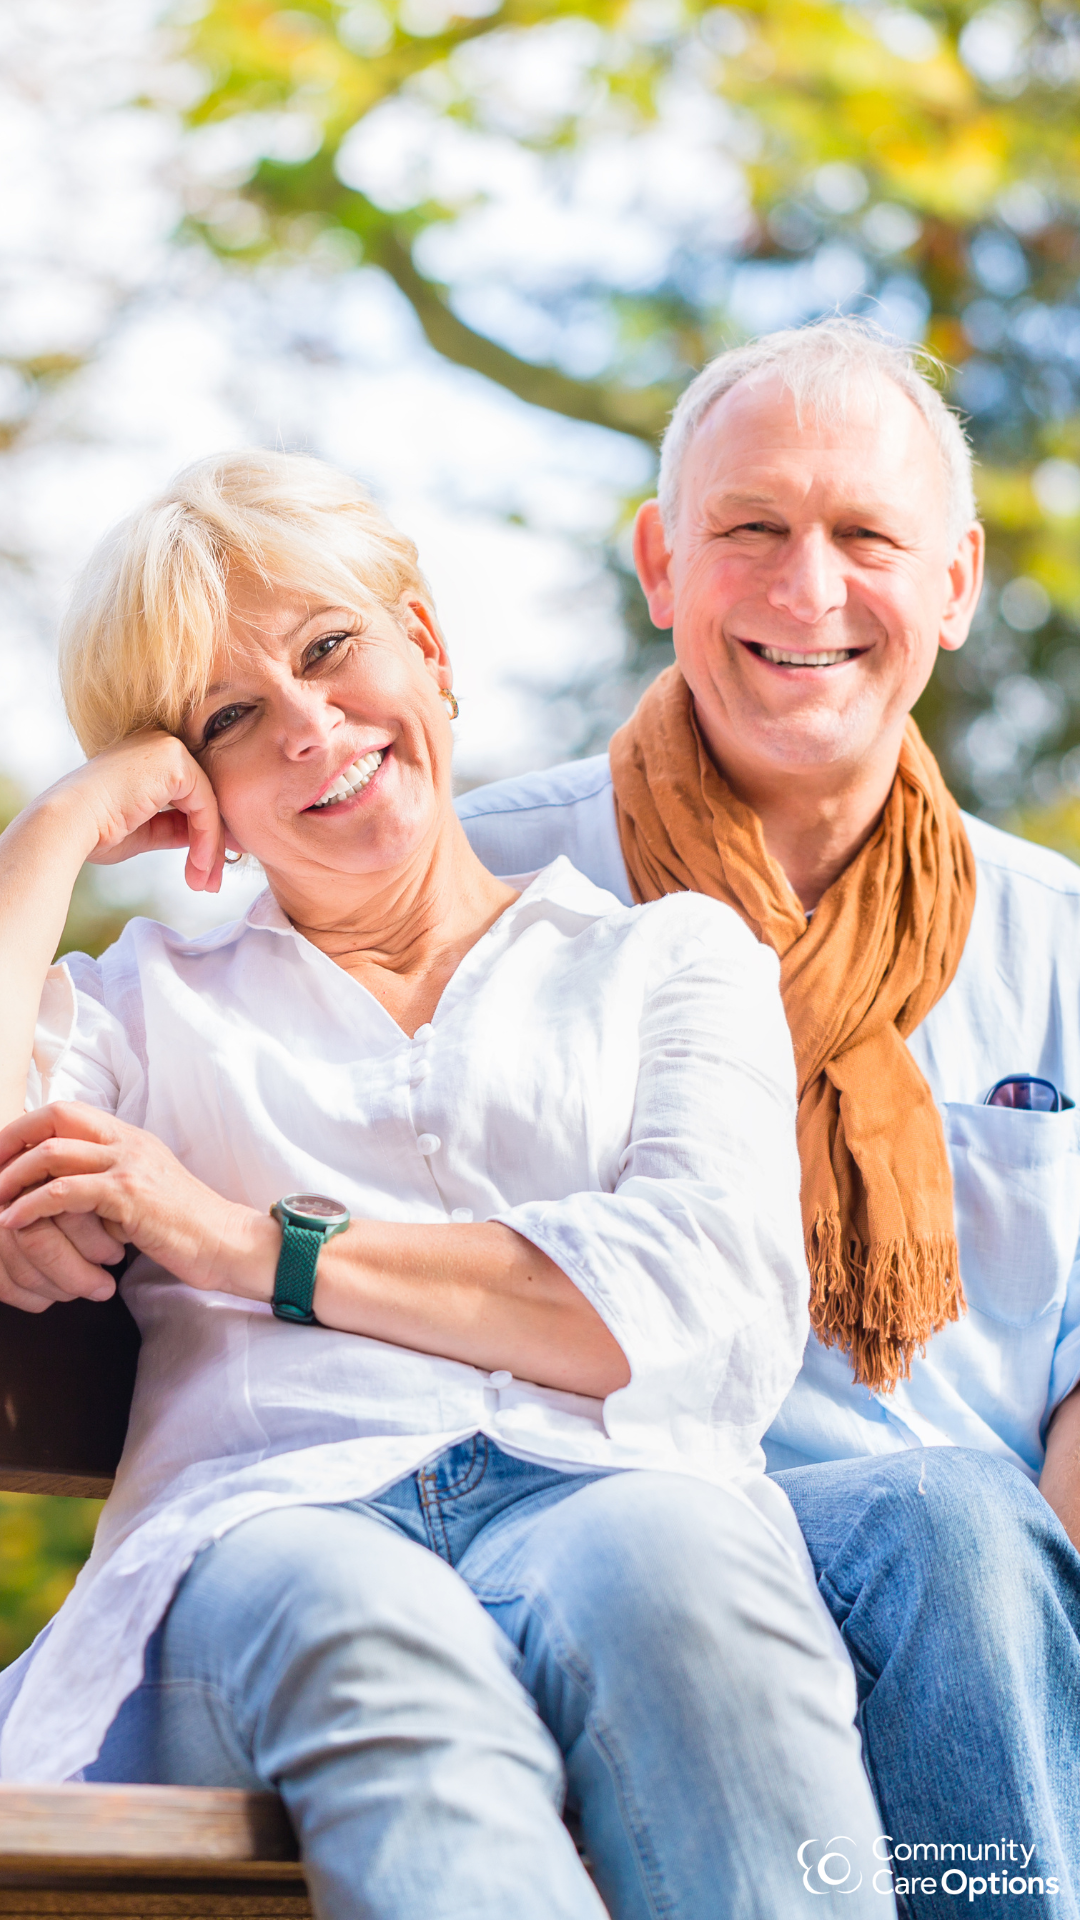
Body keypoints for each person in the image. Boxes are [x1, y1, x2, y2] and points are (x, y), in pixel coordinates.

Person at [0, 450, 890, 1920]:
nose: (307, 727)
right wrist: (57, 829)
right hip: (268, 1540)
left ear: (431, 645)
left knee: (687, 1575)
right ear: (187, 792)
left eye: (331, 648)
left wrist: (238, 1242)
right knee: (377, 1636)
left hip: (604, 1499)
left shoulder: (672, 963)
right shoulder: (146, 1007)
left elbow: (692, 1312)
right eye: (230, 717)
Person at [457, 317, 1080, 1914]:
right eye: (753, 530)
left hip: (984, 1635)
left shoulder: (1058, 942)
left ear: (952, 580)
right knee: (947, 1522)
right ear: (664, 562)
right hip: (599, 1565)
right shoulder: (478, 887)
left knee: (966, 1545)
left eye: (868, 535)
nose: (810, 591)